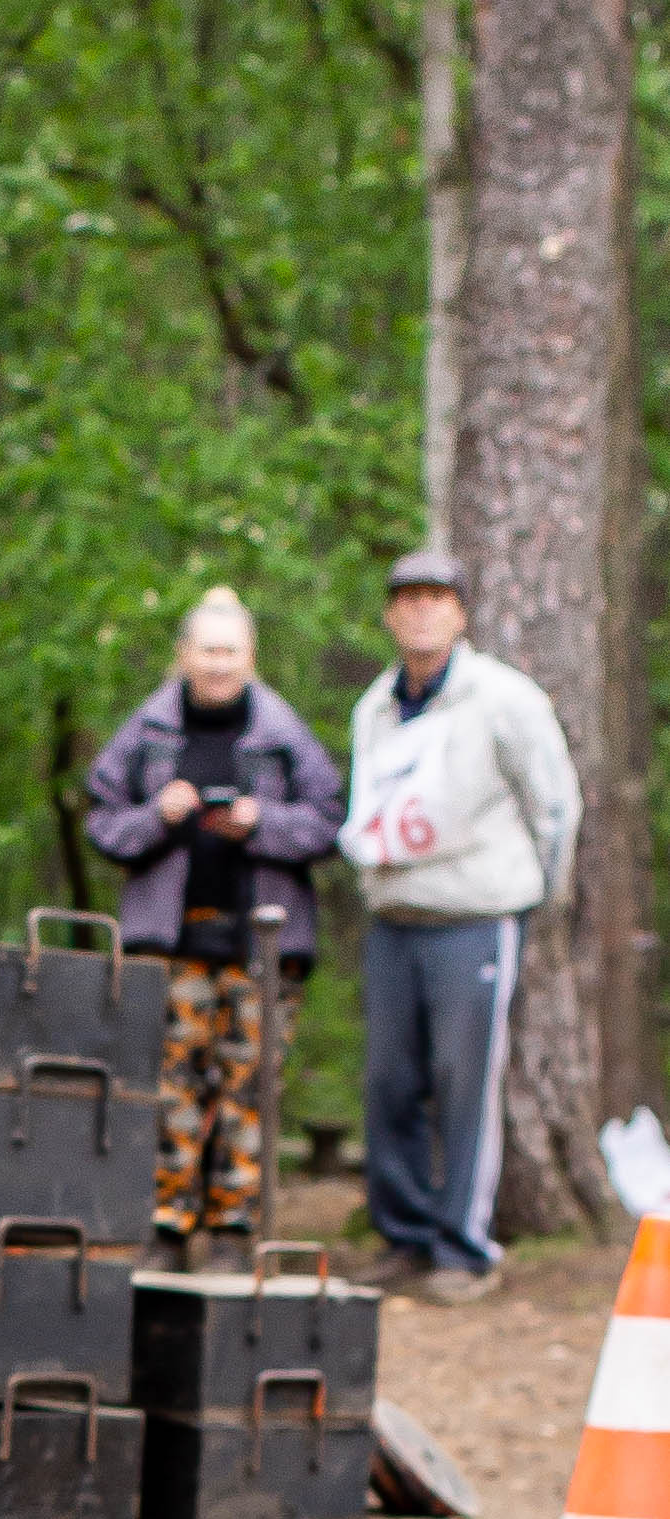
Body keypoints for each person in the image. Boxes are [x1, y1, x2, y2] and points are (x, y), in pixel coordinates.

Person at [342, 548, 579, 1303]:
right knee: (389, 1082)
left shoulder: (502, 699)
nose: (420, 610)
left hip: (473, 918)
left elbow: (554, 804)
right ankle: (405, 1234)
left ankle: (462, 1246)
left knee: (464, 1080)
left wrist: (537, 893)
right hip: (395, 918)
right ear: (389, 614)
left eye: (436, 597)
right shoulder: (376, 706)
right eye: (407, 598)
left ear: (462, 612)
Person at [84, 586, 342, 1267]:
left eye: (231, 650)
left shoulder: (284, 735)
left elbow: (328, 819)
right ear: (184, 656)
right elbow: (102, 818)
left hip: (263, 942)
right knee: (169, 1083)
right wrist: (157, 816)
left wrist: (263, 821)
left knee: (249, 1085)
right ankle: (166, 1225)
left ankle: (234, 1229)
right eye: (208, 649)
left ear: (251, 657)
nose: (219, 663)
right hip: (170, 942)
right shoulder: (146, 732)